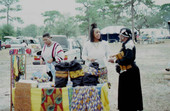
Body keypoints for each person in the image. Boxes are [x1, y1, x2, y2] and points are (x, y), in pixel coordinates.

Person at [108, 28, 143, 111]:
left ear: (125, 36)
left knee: (129, 94)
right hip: (126, 72)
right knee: (126, 94)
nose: (119, 37)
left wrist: (115, 60)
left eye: (121, 35)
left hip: (130, 72)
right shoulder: (126, 44)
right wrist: (116, 56)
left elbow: (128, 59)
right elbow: (124, 55)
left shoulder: (129, 45)